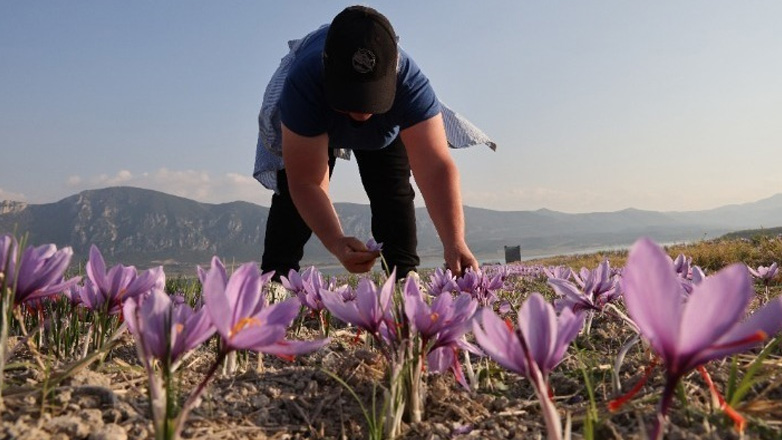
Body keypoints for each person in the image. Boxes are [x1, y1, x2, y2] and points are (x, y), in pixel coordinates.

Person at [253, 5, 494, 280]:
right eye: (350, 100)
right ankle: (278, 276)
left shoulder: (410, 83)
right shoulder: (303, 83)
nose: (360, 114)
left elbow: (435, 167)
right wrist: (336, 241)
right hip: (317, 111)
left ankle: (403, 274)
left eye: (370, 99)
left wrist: (455, 242)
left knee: (391, 186)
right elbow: (306, 182)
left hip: (385, 124)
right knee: (290, 192)